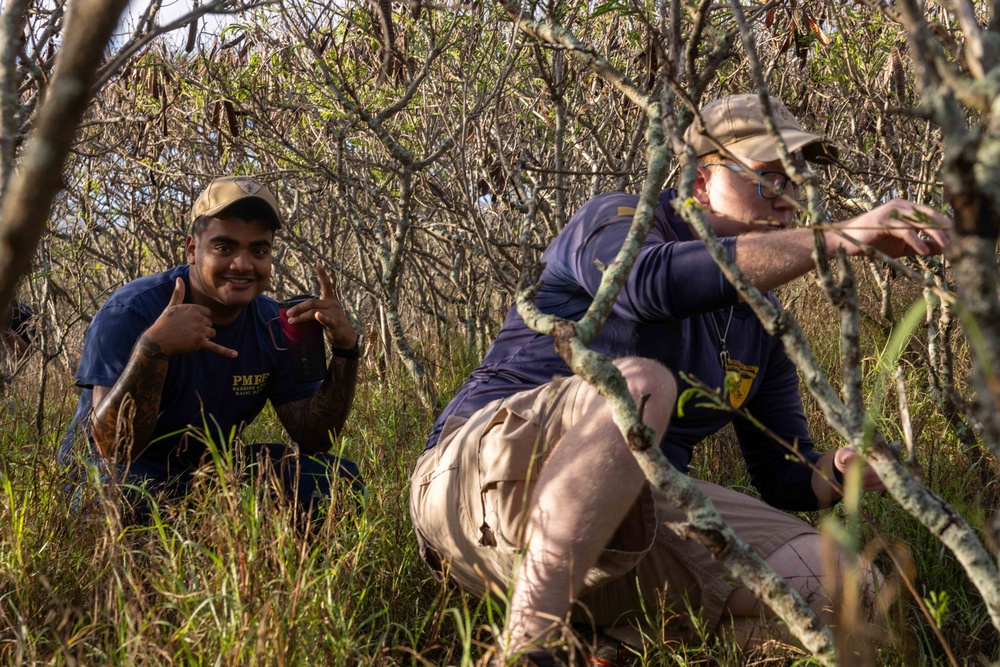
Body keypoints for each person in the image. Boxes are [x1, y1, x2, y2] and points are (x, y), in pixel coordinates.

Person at [409, 94, 951, 665]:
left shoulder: (763, 324)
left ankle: (605, 650)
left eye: (797, 182)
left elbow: (784, 473)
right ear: (697, 182)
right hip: (478, 484)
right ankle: (530, 646)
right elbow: (648, 285)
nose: (788, 201)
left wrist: (844, 472)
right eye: (767, 178)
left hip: (631, 522)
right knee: (640, 388)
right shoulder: (617, 220)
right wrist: (839, 237)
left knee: (845, 589)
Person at [60, 176, 364, 522]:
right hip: (117, 469)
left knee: (337, 482)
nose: (242, 264)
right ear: (192, 249)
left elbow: (315, 437)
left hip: (208, 468)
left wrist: (345, 350)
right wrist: (153, 349)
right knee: (127, 499)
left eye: (259, 250)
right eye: (224, 248)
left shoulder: (273, 324)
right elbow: (113, 448)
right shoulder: (131, 312)